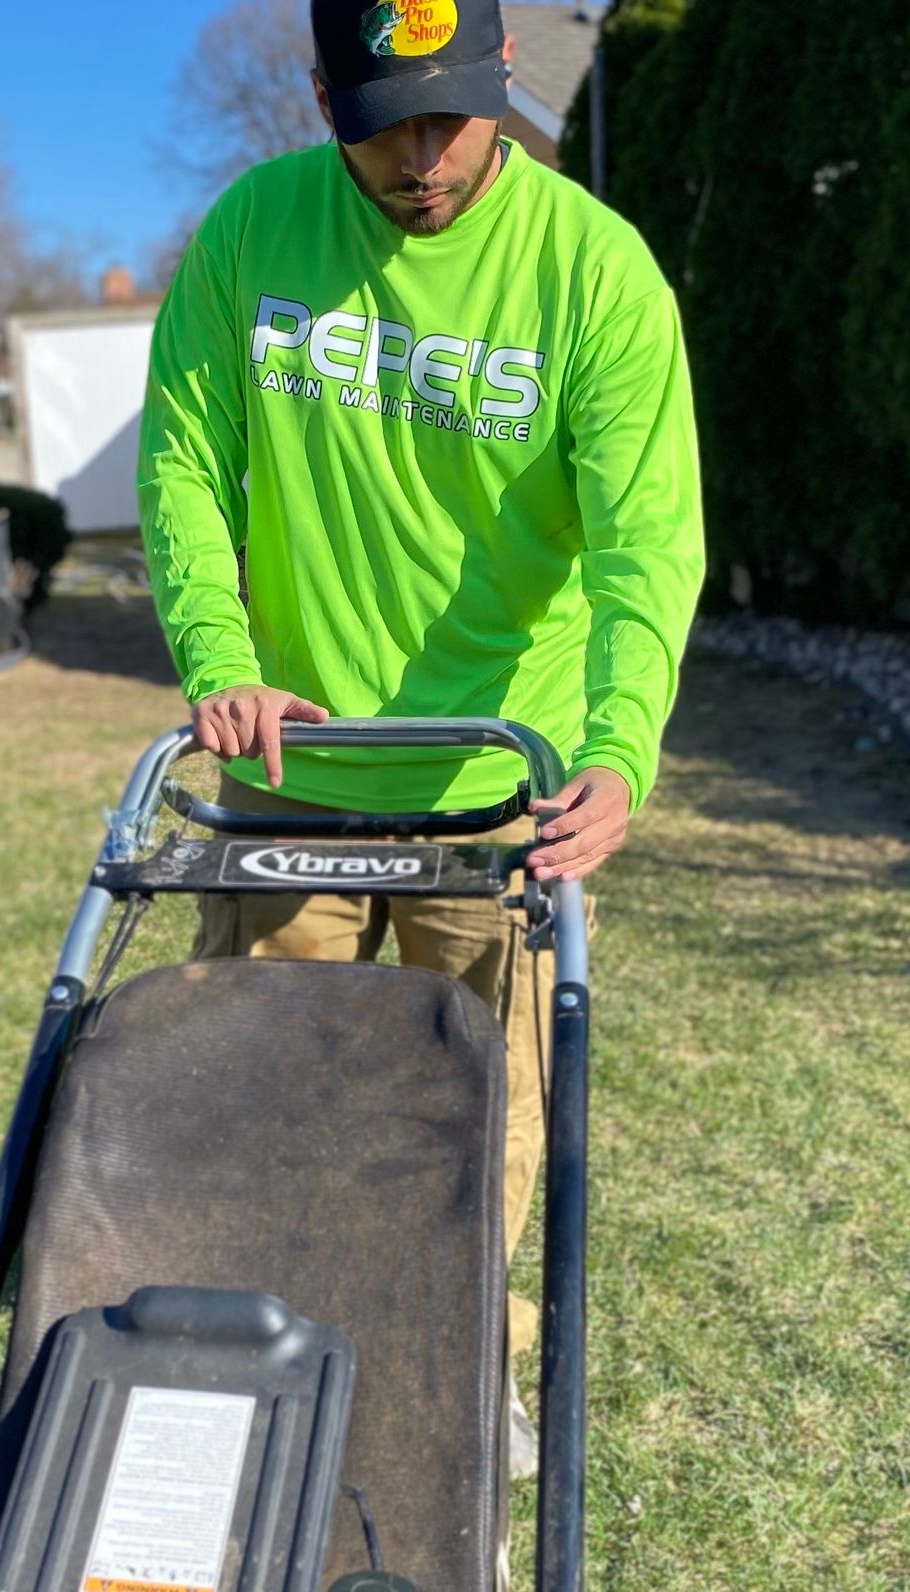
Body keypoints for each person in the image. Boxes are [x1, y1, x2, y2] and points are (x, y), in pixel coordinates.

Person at [136, 0, 704, 1473]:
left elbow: (651, 542)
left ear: (505, 77)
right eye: (382, 116)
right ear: (323, 90)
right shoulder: (255, 232)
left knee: (478, 1116)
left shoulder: (594, 272)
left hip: (493, 789)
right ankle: (252, 1352)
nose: (424, 155)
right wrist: (224, 663)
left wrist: (620, 750)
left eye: (453, 114)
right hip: (293, 787)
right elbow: (187, 464)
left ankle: (464, 1359)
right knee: (260, 1099)